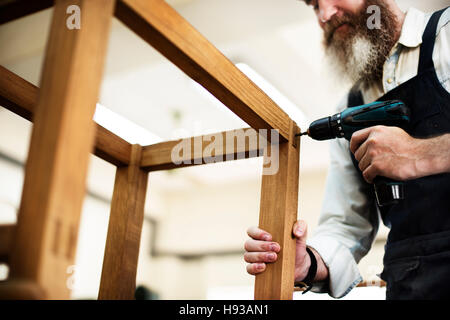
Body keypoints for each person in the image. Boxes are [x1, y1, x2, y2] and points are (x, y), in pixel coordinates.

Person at [244, 0, 450, 299]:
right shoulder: (350, 109)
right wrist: (307, 263)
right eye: (315, 6)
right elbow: (346, 226)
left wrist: (423, 154)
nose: (325, 15)